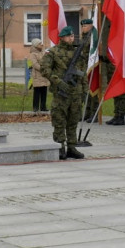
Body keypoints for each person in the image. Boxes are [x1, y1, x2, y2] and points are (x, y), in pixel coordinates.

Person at [40, 26, 88, 159]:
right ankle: (60, 147)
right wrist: (58, 81)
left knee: (73, 120)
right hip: (61, 92)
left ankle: (71, 147)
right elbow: (45, 69)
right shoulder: (53, 52)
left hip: (76, 93)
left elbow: (83, 73)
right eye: (69, 36)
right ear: (62, 37)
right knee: (59, 120)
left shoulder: (77, 53)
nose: (71, 39)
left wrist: (84, 90)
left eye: (72, 36)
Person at [28, 38, 49, 114]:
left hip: (44, 76)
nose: (42, 45)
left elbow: (47, 60)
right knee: (37, 92)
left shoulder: (43, 52)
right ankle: (35, 108)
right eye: (40, 44)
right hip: (37, 76)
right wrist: (43, 68)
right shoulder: (33, 54)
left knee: (44, 91)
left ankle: (43, 107)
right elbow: (35, 64)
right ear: (36, 45)